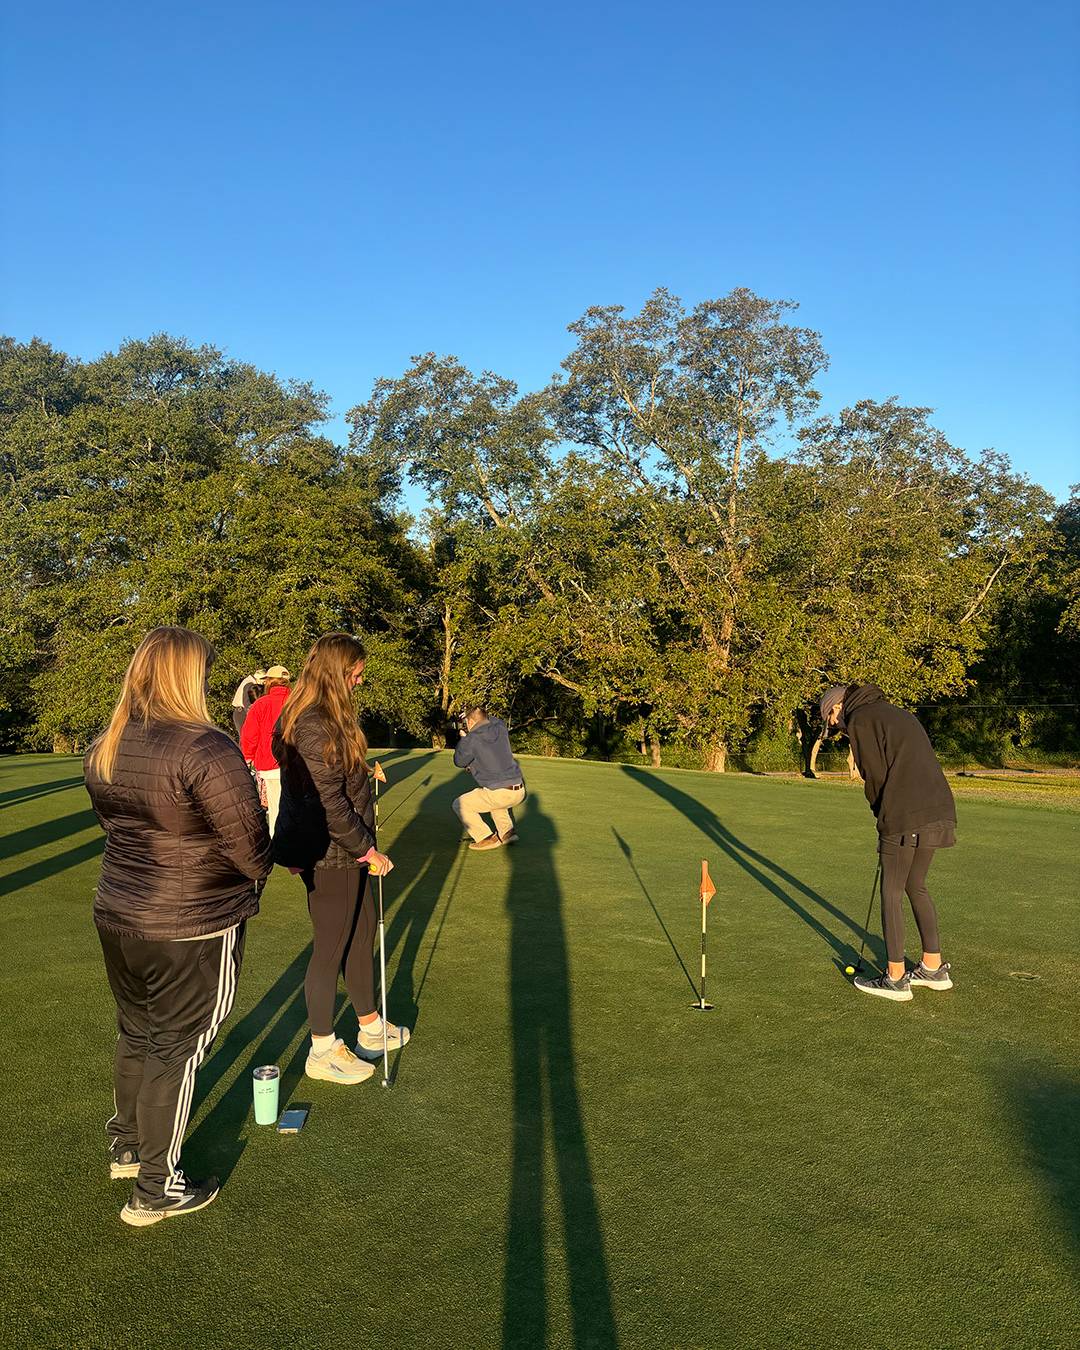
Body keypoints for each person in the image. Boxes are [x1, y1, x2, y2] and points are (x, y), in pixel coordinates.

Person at [84, 627, 272, 1226]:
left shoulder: (109, 742)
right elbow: (249, 845)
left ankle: (129, 1145)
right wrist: (255, 877)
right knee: (177, 1046)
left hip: (120, 911)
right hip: (189, 921)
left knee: (138, 1032)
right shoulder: (205, 746)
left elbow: (115, 827)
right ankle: (156, 1187)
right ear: (189, 675)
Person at [272, 633, 410, 1083]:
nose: (360, 679)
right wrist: (365, 849)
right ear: (336, 671)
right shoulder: (312, 723)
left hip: (339, 850)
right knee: (331, 948)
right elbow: (327, 805)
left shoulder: (324, 717)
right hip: (330, 854)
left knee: (362, 930)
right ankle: (322, 1049)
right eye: (355, 672)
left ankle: (369, 1027)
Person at [820, 683, 956, 1003]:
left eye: (832, 721)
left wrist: (881, 816)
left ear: (837, 708)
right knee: (915, 885)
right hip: (939, 809)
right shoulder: (896, 713)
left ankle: (895, 978)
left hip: (905, 814)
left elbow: (875, 775)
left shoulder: (861, 719)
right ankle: (932, 969)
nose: (837, 727)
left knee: (891, 890)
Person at [452, 707, 526, 851]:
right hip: (519, 790)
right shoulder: (499, 726)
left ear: (471, 721)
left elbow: (459, 761)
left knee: (459, 804)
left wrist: (464, 739)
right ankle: (507, 833)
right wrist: (476, 713)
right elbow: (488, 719)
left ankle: (486, 837)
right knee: (493, 799)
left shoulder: (471, 739)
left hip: (500, 793)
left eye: (466, 722)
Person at [240, 664, 291, 834]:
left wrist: (247, 758)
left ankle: (278, 844)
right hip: (298, 764)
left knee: (276, 807)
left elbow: (250, 735)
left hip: (270, 764)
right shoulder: (298, 702)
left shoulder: (261, 704)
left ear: (269, 682)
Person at [231, 668, 266, 736]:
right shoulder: (249, 684)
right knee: (245, 737)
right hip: (241, 713)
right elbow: (247, 704)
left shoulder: (250, 682)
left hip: (242, 712)